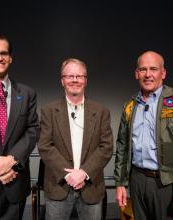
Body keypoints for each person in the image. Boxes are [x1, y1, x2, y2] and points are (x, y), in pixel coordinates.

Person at [114, 51, 173, 220]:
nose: (148, 74)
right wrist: (120, 183)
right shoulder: (130, 106)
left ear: (163, 73)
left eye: (153, 69)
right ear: (136, 74)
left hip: (166, 183)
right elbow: (122, 147)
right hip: (137, 181)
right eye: (143, 69)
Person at [38, 58, 113, 220]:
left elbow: (106, 147)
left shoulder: (101, 112)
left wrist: (84, 173)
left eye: (79, 76)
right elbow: (45, 146)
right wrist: (70, 176)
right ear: (62, 81)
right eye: (69, 76)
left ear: (85, 80)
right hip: (59, 187)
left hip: (91, 187)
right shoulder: (48, 111)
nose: (74, 80)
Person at [0, 33, 39, 220]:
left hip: (14, 181)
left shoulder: (27, 93)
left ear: (10, 57)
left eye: (3, 53)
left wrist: (12, 160)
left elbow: (32, 129)